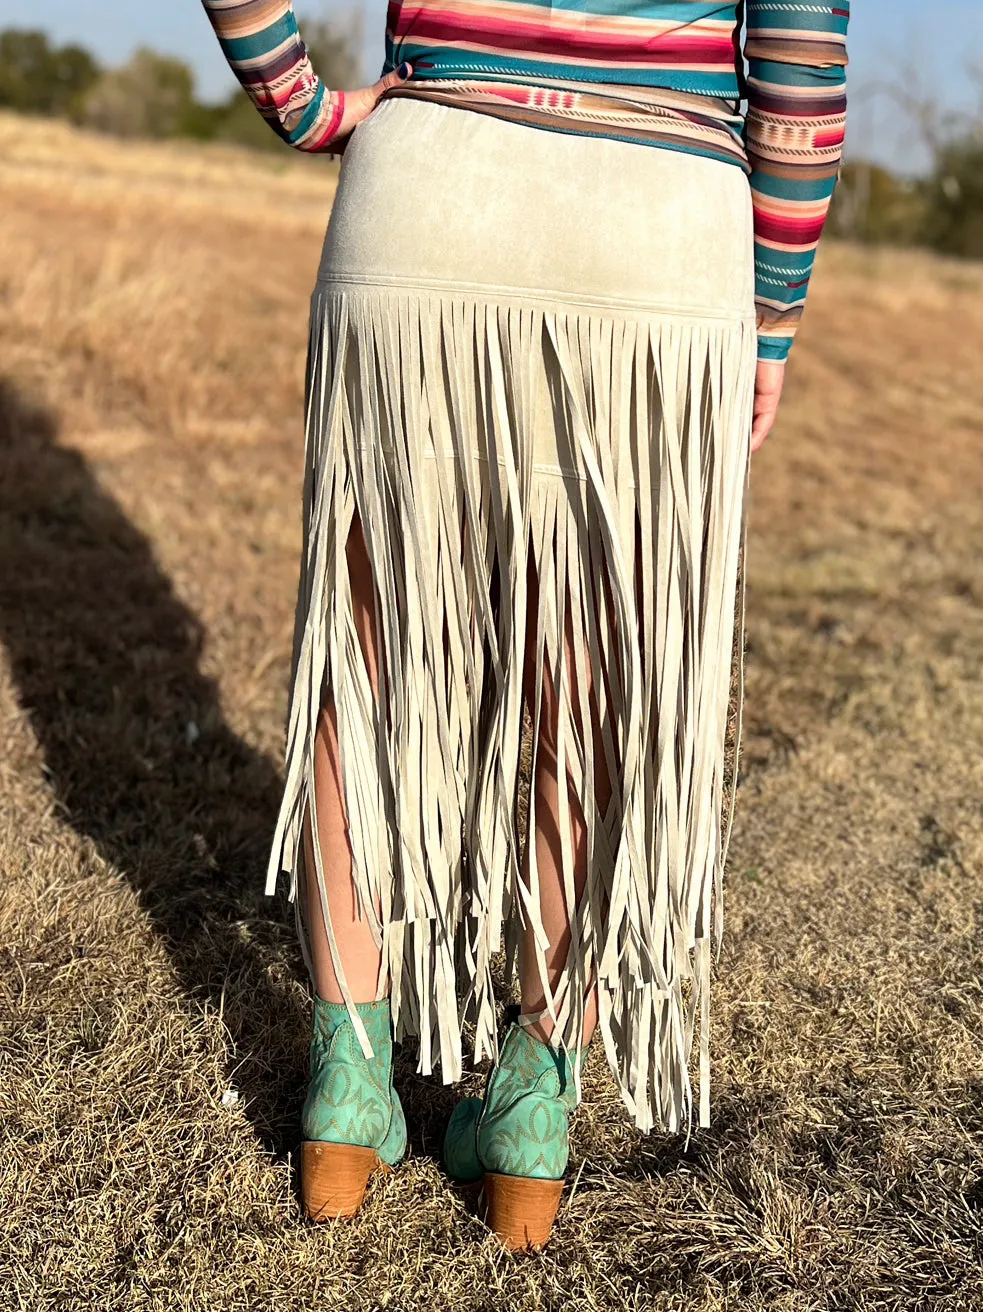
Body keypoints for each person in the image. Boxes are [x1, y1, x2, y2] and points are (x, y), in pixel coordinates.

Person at [202, 0, 849, 1250]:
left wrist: (307, 104)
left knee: (368, 653)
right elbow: (801, 76)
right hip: (658, 234)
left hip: (428, 191)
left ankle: (347, 1081)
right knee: (594, 687)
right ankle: (530, 1103)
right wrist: (770, 315)